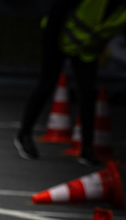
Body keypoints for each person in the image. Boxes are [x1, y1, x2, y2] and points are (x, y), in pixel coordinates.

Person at [16, 0, 126, 165]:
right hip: (58, 39)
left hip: (86, 50)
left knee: (88, 94)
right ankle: (24, 134)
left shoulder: (121, 11)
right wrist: (50, 41)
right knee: (46, 85)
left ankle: (87, 148)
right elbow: (59, 8)